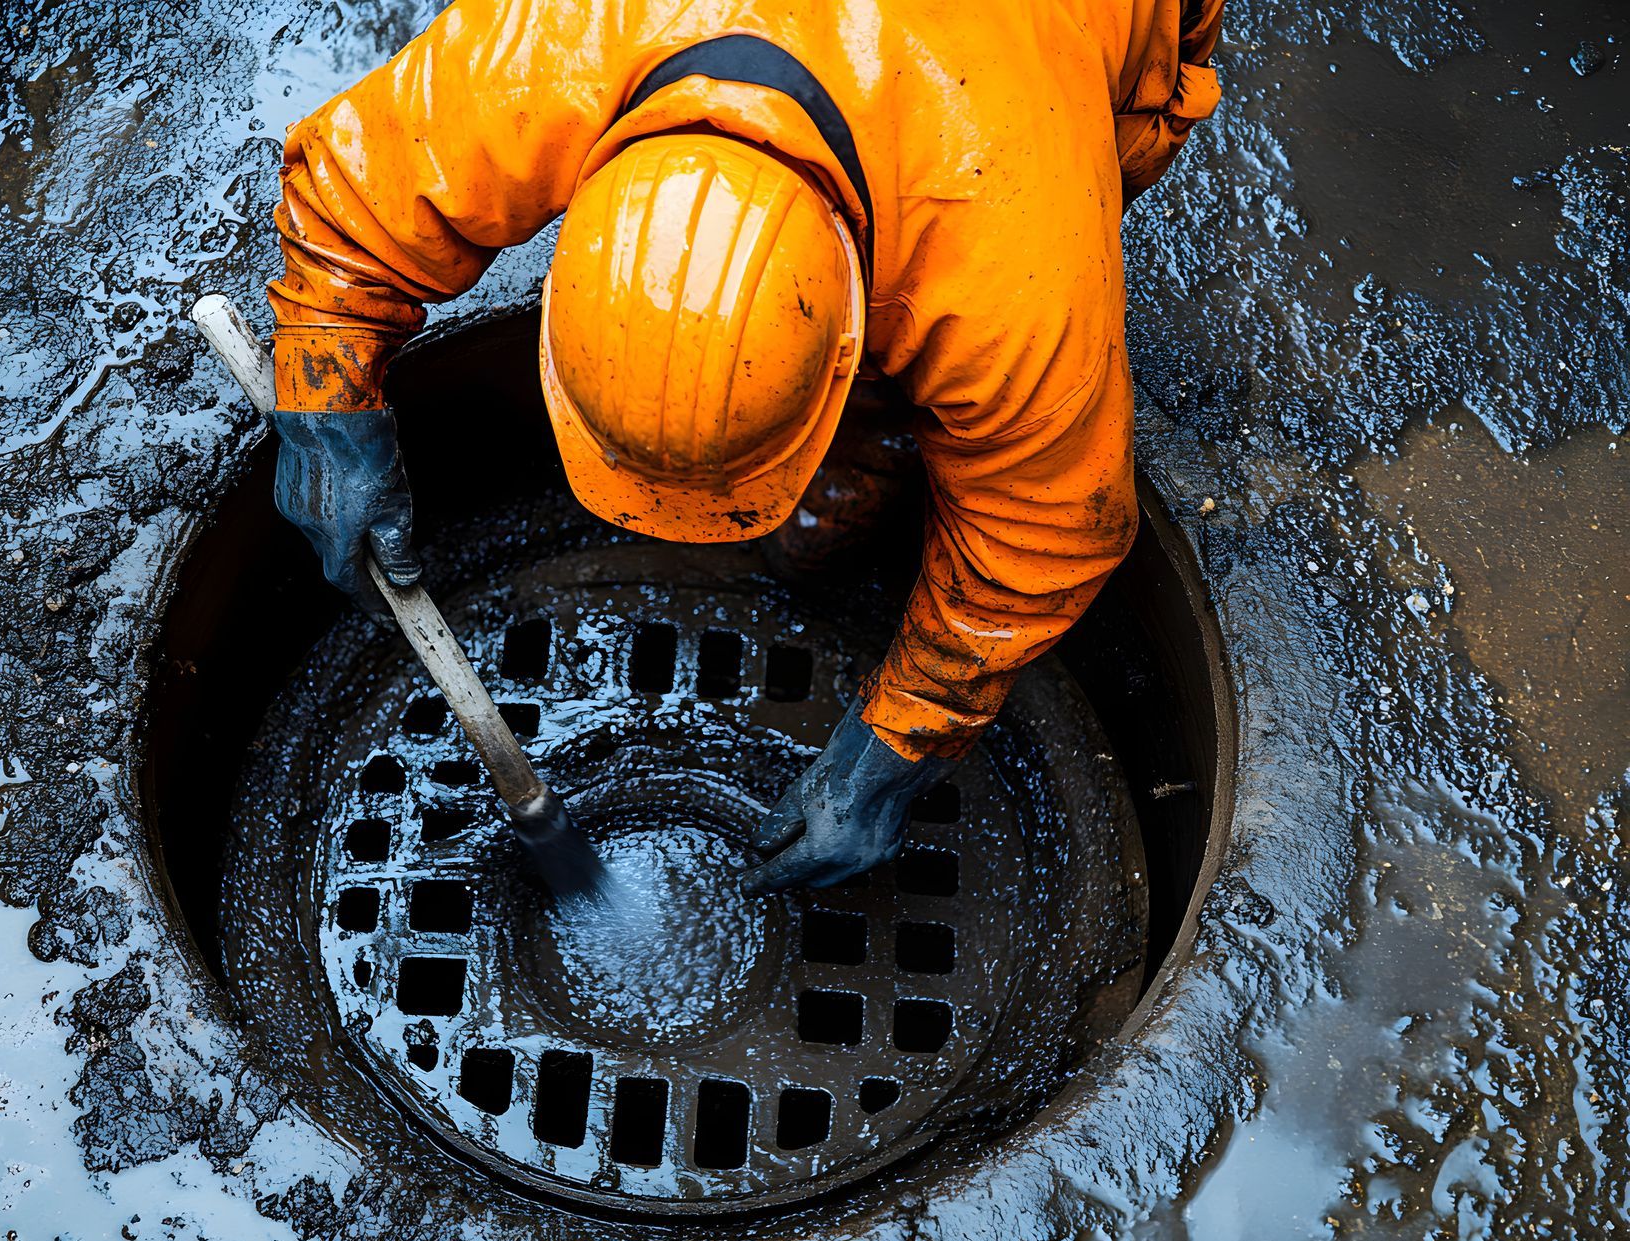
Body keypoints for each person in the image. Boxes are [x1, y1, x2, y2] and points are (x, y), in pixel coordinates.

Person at [264, 0, 1222, 891]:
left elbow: (1049, 524)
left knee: (1060, 208)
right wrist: (325, 400)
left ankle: (883, 419)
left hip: (1026, 60)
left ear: (847, 333)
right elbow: (361, 194)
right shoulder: (551, 47)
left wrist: (903, 741)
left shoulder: (1020, 260)